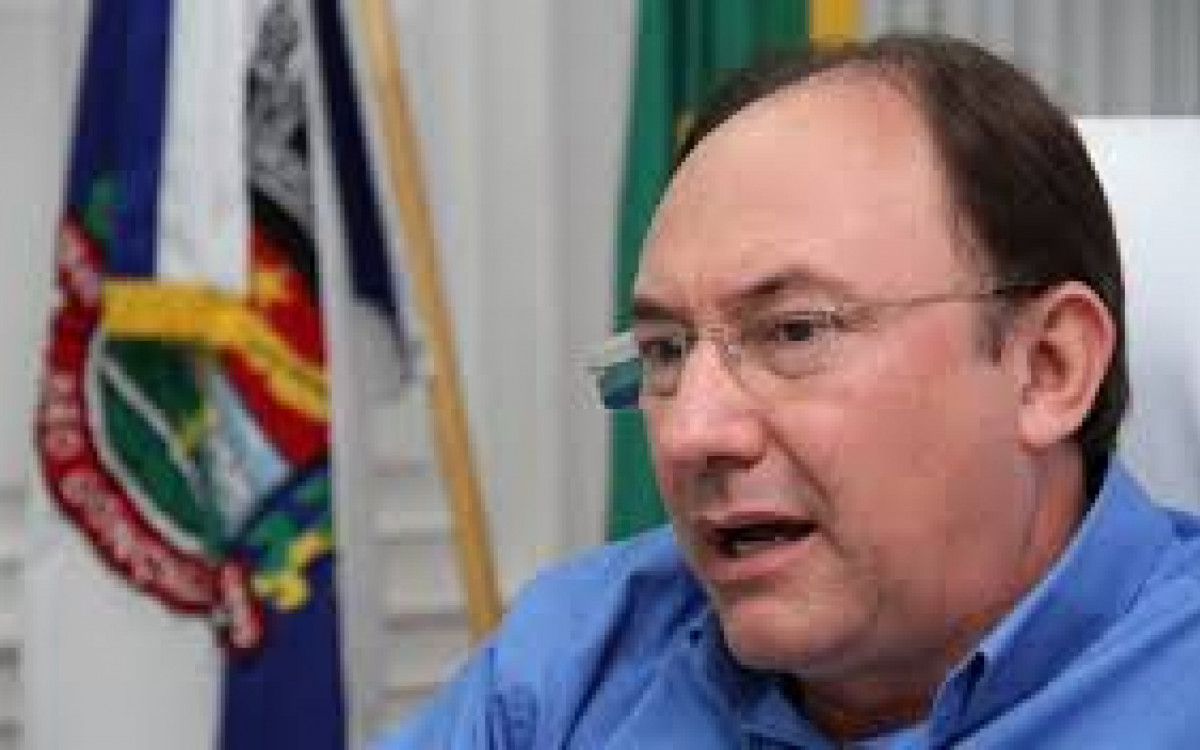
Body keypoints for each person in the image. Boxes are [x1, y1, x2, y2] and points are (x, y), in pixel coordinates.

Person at [374, 33, 1200, 748]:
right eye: (665, 351)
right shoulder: (575, 660)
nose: (690, 432)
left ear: (1049, 367)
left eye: (794, 331)